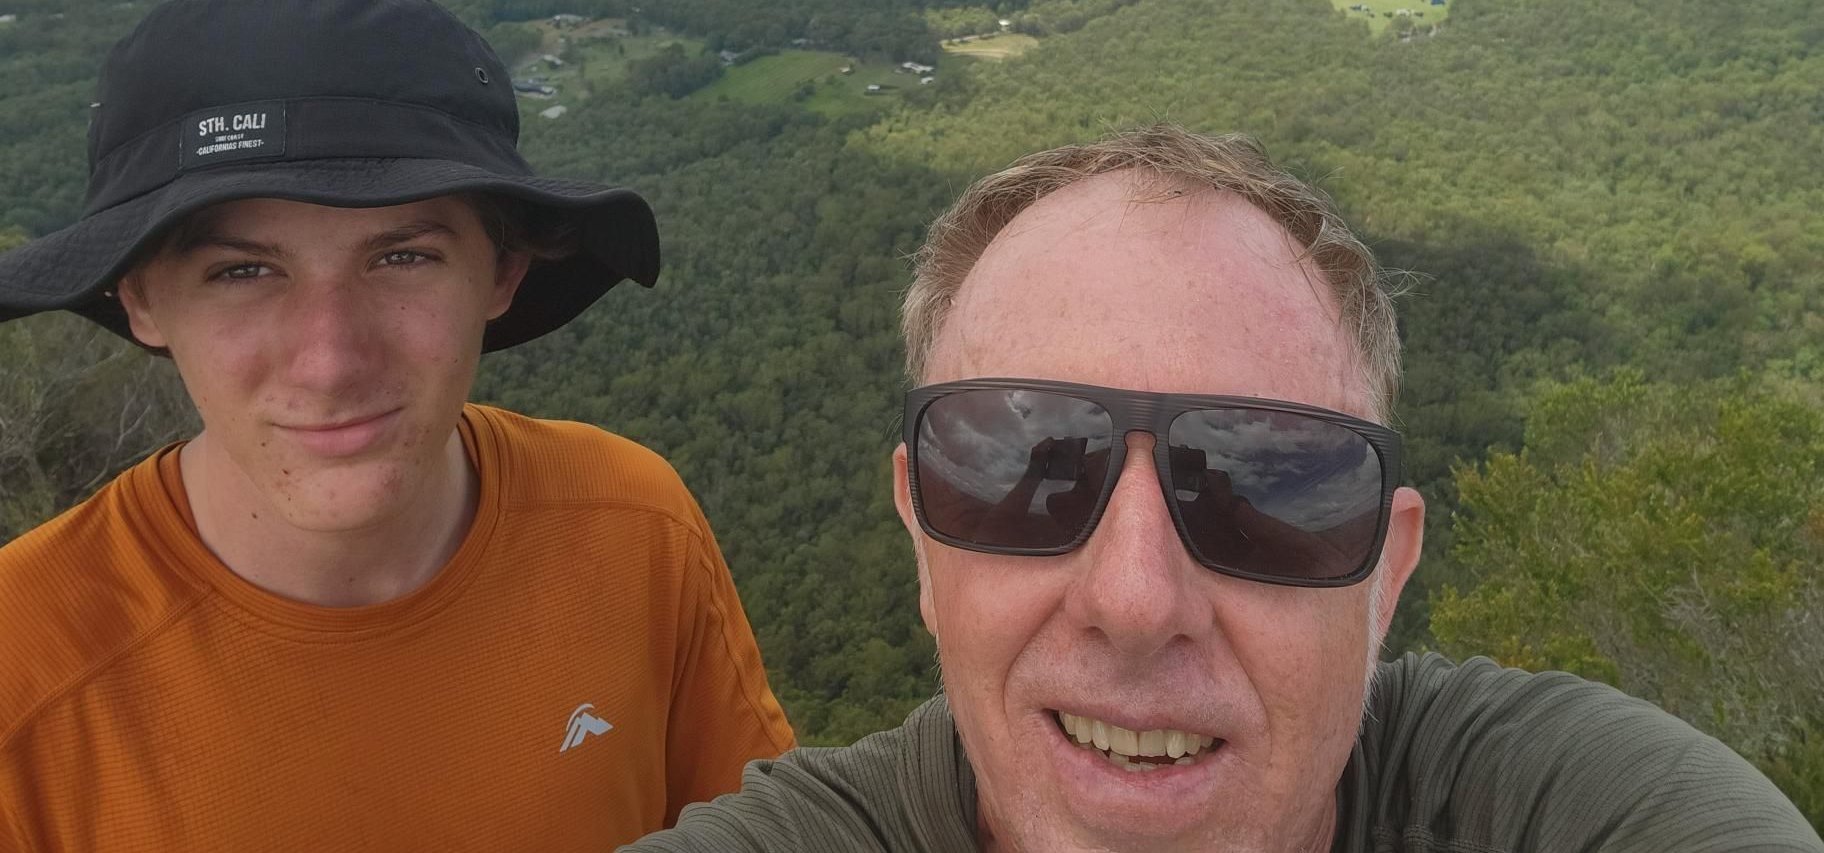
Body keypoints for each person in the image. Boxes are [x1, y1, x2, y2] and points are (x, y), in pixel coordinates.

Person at [626, 125, 1822, 852]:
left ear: (1387, 572)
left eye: (1268, 487)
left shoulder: (1562, 804)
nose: (1137, 601)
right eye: (1031, 471)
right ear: (923, 536)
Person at [0, 0, 794, 852]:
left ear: (503, 272)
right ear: (140, 300)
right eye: (242, 272)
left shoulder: (634, 525)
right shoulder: (22, 667)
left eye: (402, 257)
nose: (331, 360)